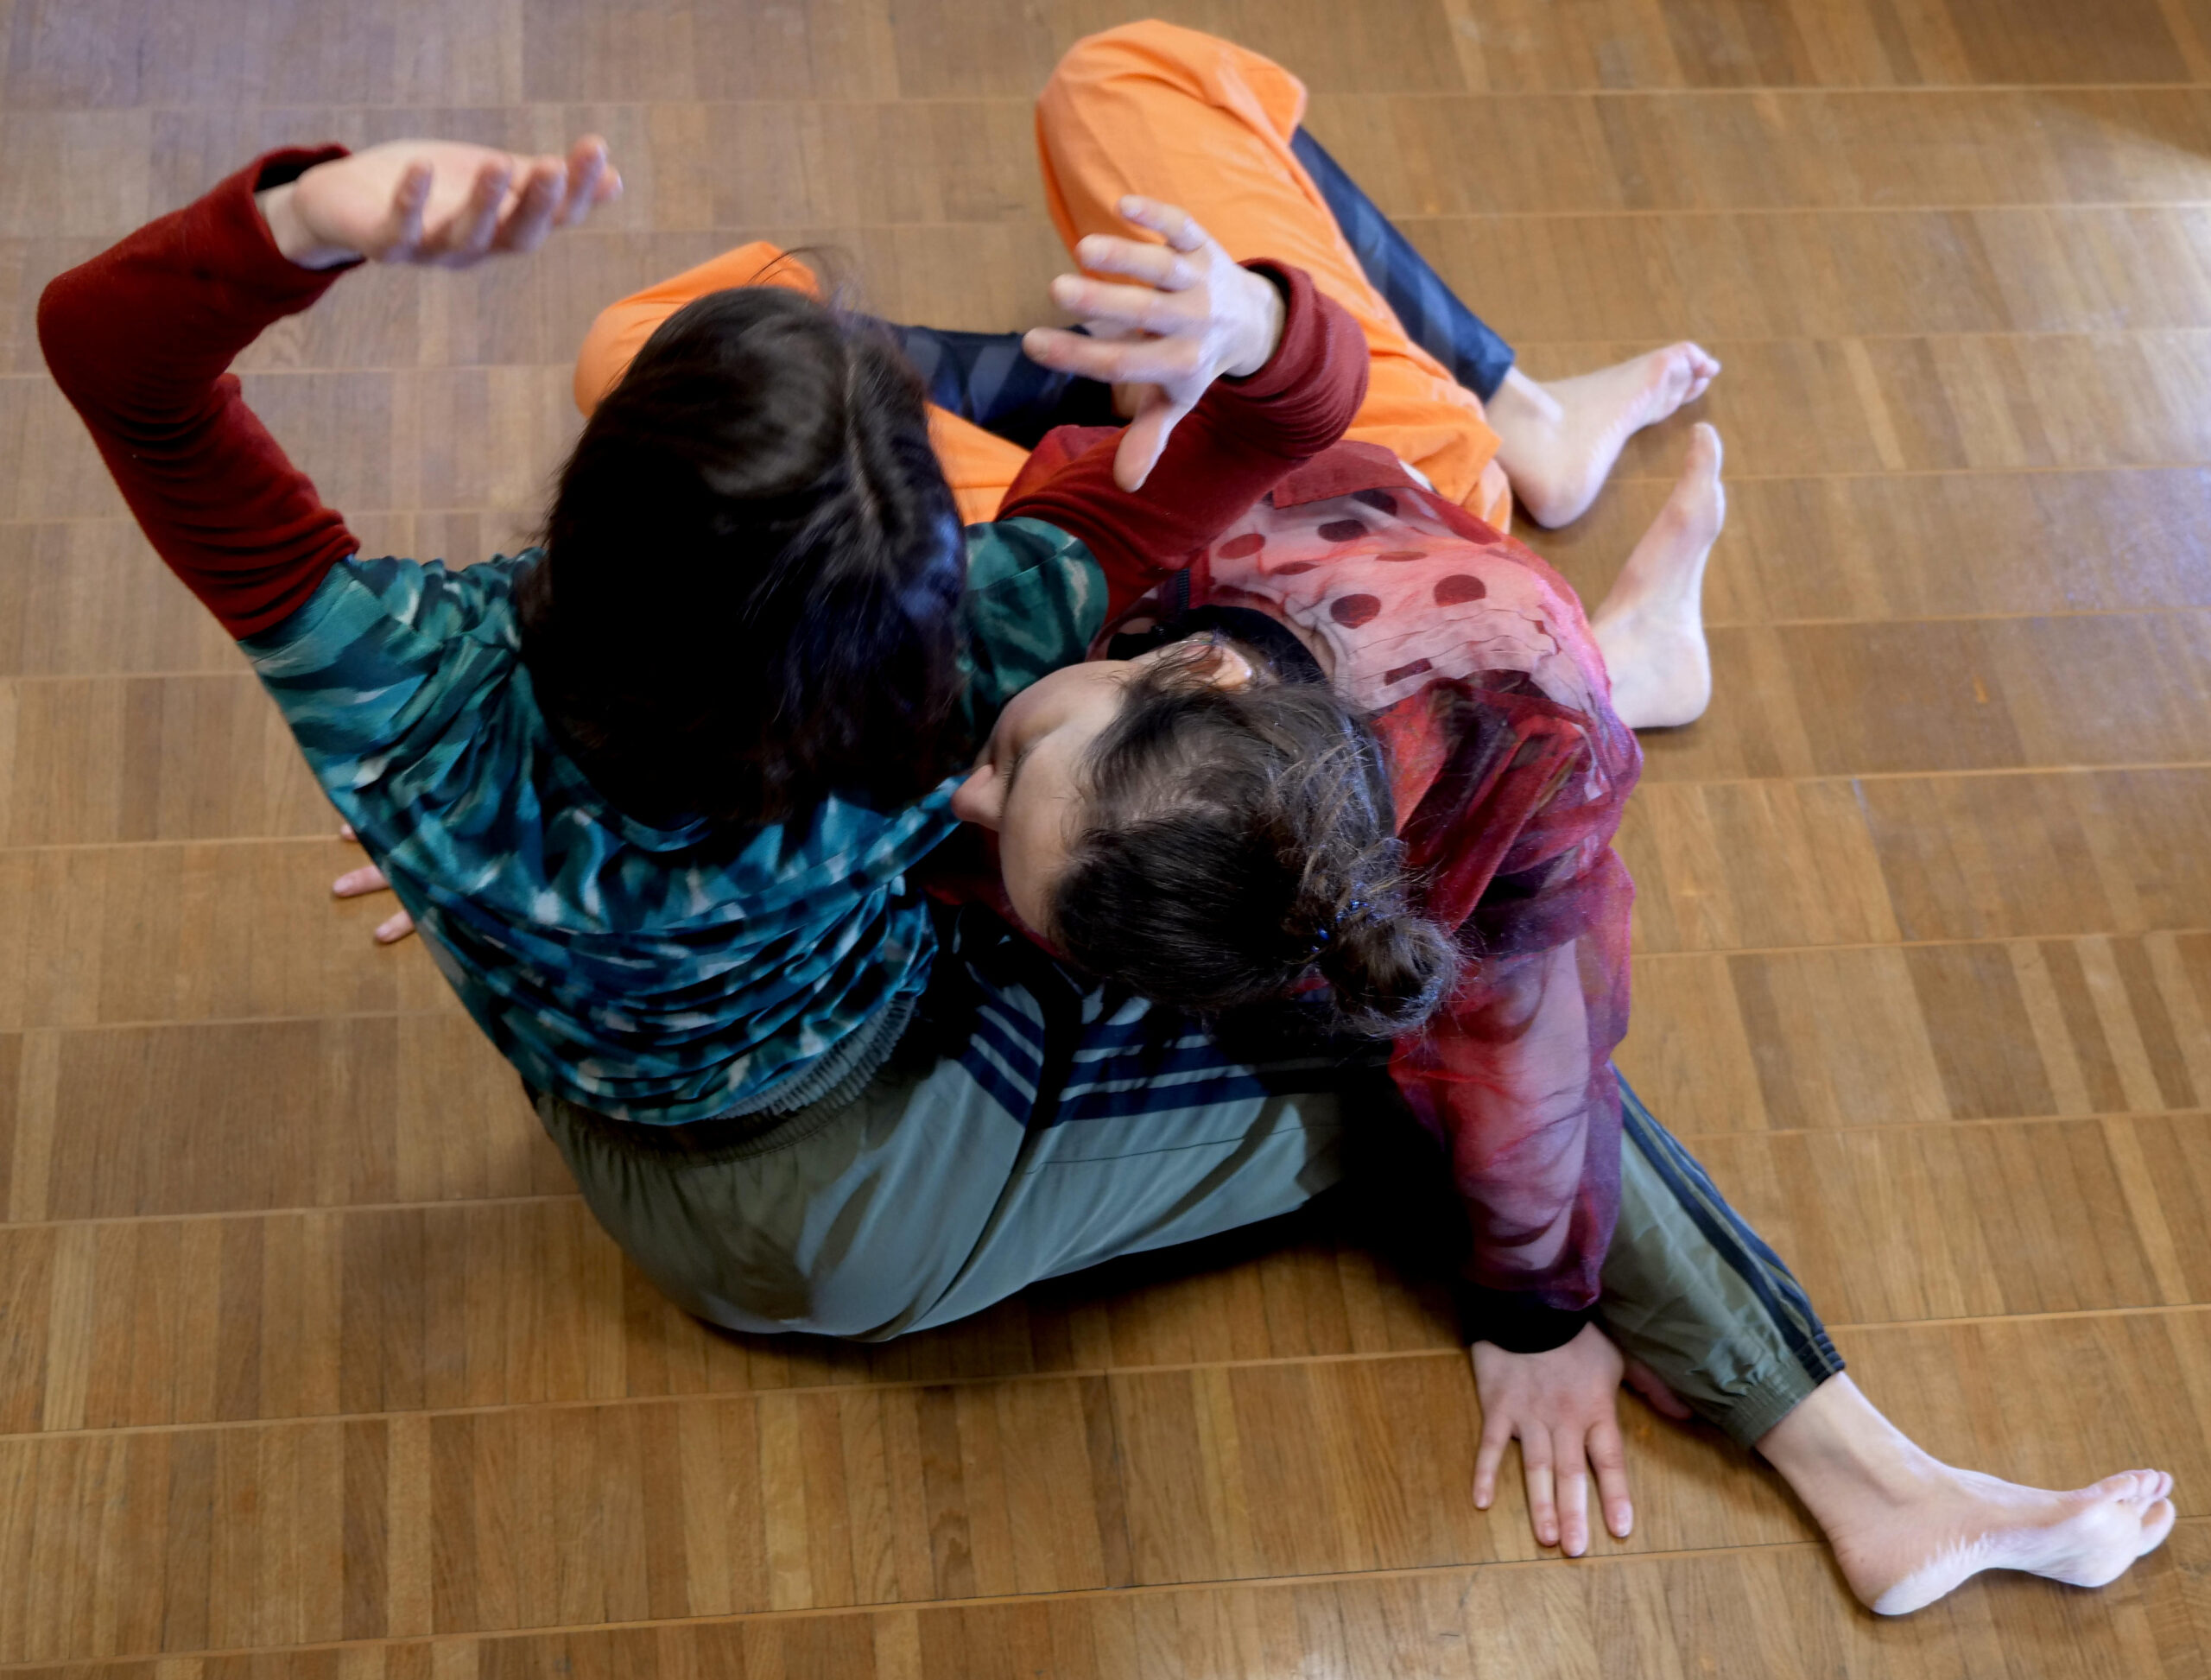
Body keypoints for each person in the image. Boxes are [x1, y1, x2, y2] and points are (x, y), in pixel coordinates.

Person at [43, 54, 2169, 1620]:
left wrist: (310, 225)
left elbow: (111, 359)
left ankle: (1613, 678)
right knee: (1409, 999)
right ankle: (1851, 1458)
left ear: (583, 524)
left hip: (632, 1135)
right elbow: (1256, 424)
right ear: (904, 624)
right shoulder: (953, 675)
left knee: (1384, 948)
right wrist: (1258, 323)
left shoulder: (401, 705)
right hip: (842, 1196)